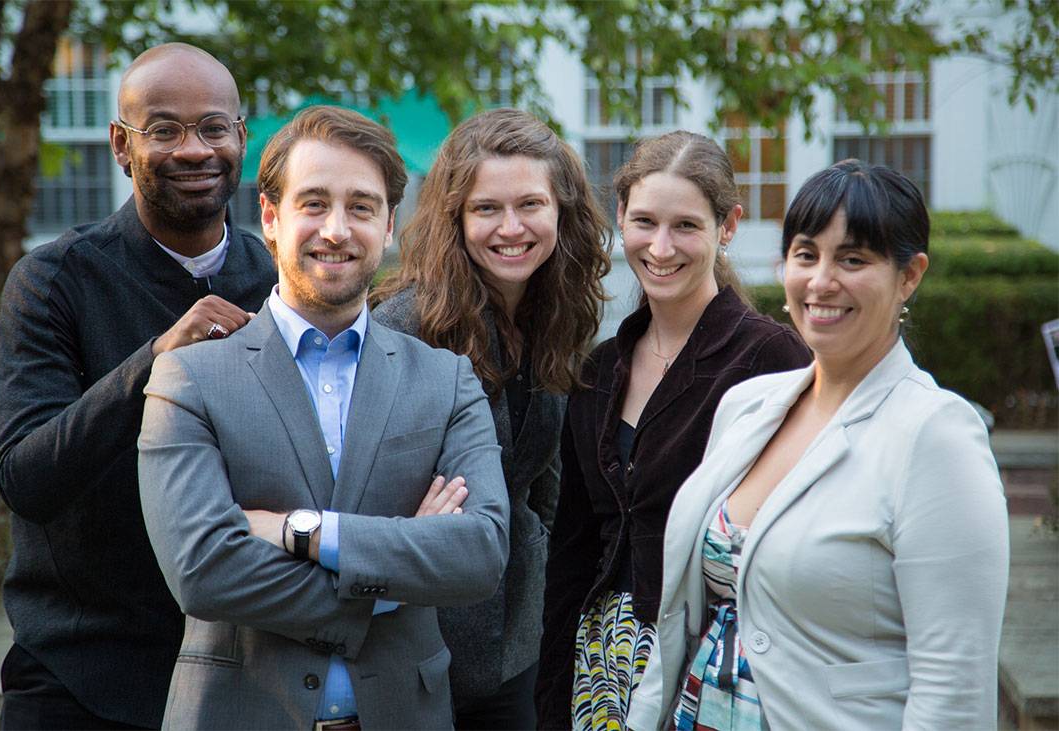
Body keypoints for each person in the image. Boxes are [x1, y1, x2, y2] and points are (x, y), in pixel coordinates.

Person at [137, 105, 510, 729]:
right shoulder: (191, 377)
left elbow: (479, 552)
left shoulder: (447, 382)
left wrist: (301, 532)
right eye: (314, 203)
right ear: (270, 218)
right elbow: (203, 570)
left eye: (361, 207)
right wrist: (395, 578)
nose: (336, 229)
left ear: (390, 225)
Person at [627, 160, 1010, 731]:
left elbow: (952, 687)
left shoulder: (936, 435)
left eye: (853, 259)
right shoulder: (749, 407)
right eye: (806, 254)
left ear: (910, 276)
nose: (822, 280)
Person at [0, 43, 275, 729]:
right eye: (165, 129)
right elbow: (23, 477)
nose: (193, 149)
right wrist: (156, 360)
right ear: (122, 145)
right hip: (82, 673)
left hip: (247, 669)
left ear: (241, 137)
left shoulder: (277, 283)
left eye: (213, 127)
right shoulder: (54, 281)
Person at [535, 131, 811, 729]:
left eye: (685, 225)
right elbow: (573, 552)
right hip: (601, 679)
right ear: (620, 218)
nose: (660, 247)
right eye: (645, 222)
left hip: (716, 674)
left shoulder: (772, 361)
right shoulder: (599, 369)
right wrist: (553, 697)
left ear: (728, 225)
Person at [371, 108, 611, 729]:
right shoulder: (403, 329)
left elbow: (543, 488)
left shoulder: (553, 318)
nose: (511, 228)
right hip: (414, 648)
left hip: (513, 650)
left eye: (530, 204)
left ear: (561, 211)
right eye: (485, 209)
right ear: (455, 218)